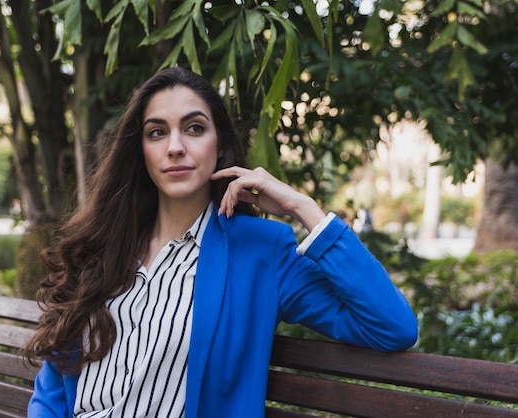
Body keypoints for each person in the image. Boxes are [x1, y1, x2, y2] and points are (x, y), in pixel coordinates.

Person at [23, 67, 418, 417]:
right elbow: (55, 383)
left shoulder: (261, 252)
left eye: (194, 128)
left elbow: (391, 327)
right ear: (140, 151)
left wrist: (303, 207)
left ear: (220, 146)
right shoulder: (104, 248)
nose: (175, 146)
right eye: (157, 132)